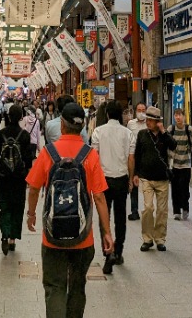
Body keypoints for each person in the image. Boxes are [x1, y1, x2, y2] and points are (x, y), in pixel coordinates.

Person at [27, 102, 113, 318]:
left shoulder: (48, 153)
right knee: (77, 288)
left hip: (53, 235)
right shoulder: (90, 155)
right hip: (83, 237)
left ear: (62, 125)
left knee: (55, 287)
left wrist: (31, 214)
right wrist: (106, 232)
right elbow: (100, 197)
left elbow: (34, 188)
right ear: (82, 127)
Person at [91, 100, 135, 275]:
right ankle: (119, 251)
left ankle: (107, 252)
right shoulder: (128, 133)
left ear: (107, 114)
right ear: (121, 115)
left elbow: (94, 156)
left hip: (103, 179)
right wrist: (131, 179)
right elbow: (131, 159)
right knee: (120, 216)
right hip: (121, 179)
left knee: (104, 216)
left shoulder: (98, 132)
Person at [133, 106, 176, 252]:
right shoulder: (142, 134)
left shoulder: (164, 135)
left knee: (162, 210)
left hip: (162, 178)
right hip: (146, 177)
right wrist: (135, 174)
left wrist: (163, 131)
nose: (147, 122)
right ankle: (147, 238)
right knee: (148, 208)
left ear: (157, 122)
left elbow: (173, 145)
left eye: (151, 120)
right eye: (147, 119)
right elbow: (137, 154)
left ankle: (160, 239)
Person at [0, 104, 33, 254]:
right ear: (20, 117)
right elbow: (28, 159)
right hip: (19, 177)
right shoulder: (24, 135)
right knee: (17, 207)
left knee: (4, 206)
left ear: (8, 116)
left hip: (3, 177)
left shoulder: (1, 134)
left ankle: (5, 233)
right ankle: (12, 239)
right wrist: (29, 177)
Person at [169, 108, 192, 221]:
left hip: (186, 164)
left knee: (184, 189)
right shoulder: (171, 129)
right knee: (175, 189)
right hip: (174, 165)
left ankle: (185, 208)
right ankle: (176, 211)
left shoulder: (188, 129)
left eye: (179, 115)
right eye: (175, 115)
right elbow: (166, 142)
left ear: (183, 116)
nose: (177, 117)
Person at [126, 102, 147, 220]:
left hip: (146, 157)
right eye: (139, 110)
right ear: (135, 111)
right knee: (134, 184)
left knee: (147, 184)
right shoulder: (130, 124)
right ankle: (134, 211)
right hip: (134, 157)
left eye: (143, 110)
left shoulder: (149, 124)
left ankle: (148, 209)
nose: (141, 112)